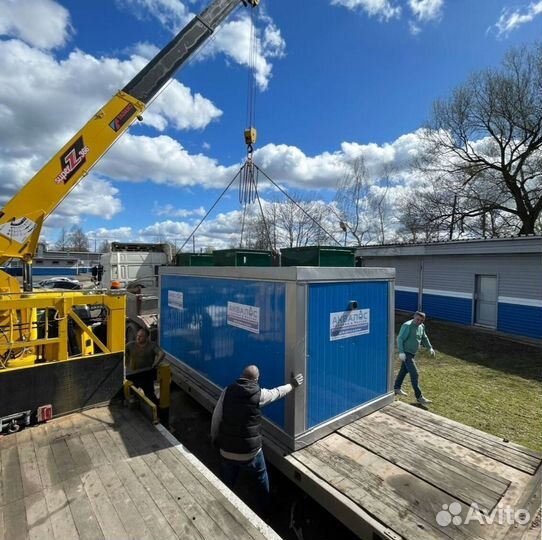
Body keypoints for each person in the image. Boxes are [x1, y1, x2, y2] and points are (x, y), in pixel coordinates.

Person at [210, 365, 304, 496]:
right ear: (257, 379)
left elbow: (216, 418)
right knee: (261, 477)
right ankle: (264, 504)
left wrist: (214, 439)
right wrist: (293, 384)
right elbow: (277, 392)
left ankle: (224, 499)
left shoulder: (227, 391)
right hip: (250, 453)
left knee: (226, 481)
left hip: (227, 451)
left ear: (241, 376)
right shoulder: (260, 395)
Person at [393, 311, 436, 405]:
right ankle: (419, 397)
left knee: (404, 370)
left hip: (412, 353)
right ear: (414, 317)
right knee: (415, 374)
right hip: (406, 353)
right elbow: (400, 338)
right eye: (418, 319)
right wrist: (401, 352)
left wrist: (430, 348)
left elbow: (424, 337)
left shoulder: (421, 326)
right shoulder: (407, 326)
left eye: (421, 320)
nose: (419, 321)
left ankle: (396, 388)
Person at [125, 328, 165, 403]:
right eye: (137, 335)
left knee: (150, 395)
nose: (138, 337)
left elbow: (161, 354)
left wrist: (155, 365)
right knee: (130, 393)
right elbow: (120, 352)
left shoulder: (152, 346)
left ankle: (157, 409)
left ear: (146, 338)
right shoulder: (130, 345)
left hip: (146, 374)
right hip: (133, 374)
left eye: (141, 336)